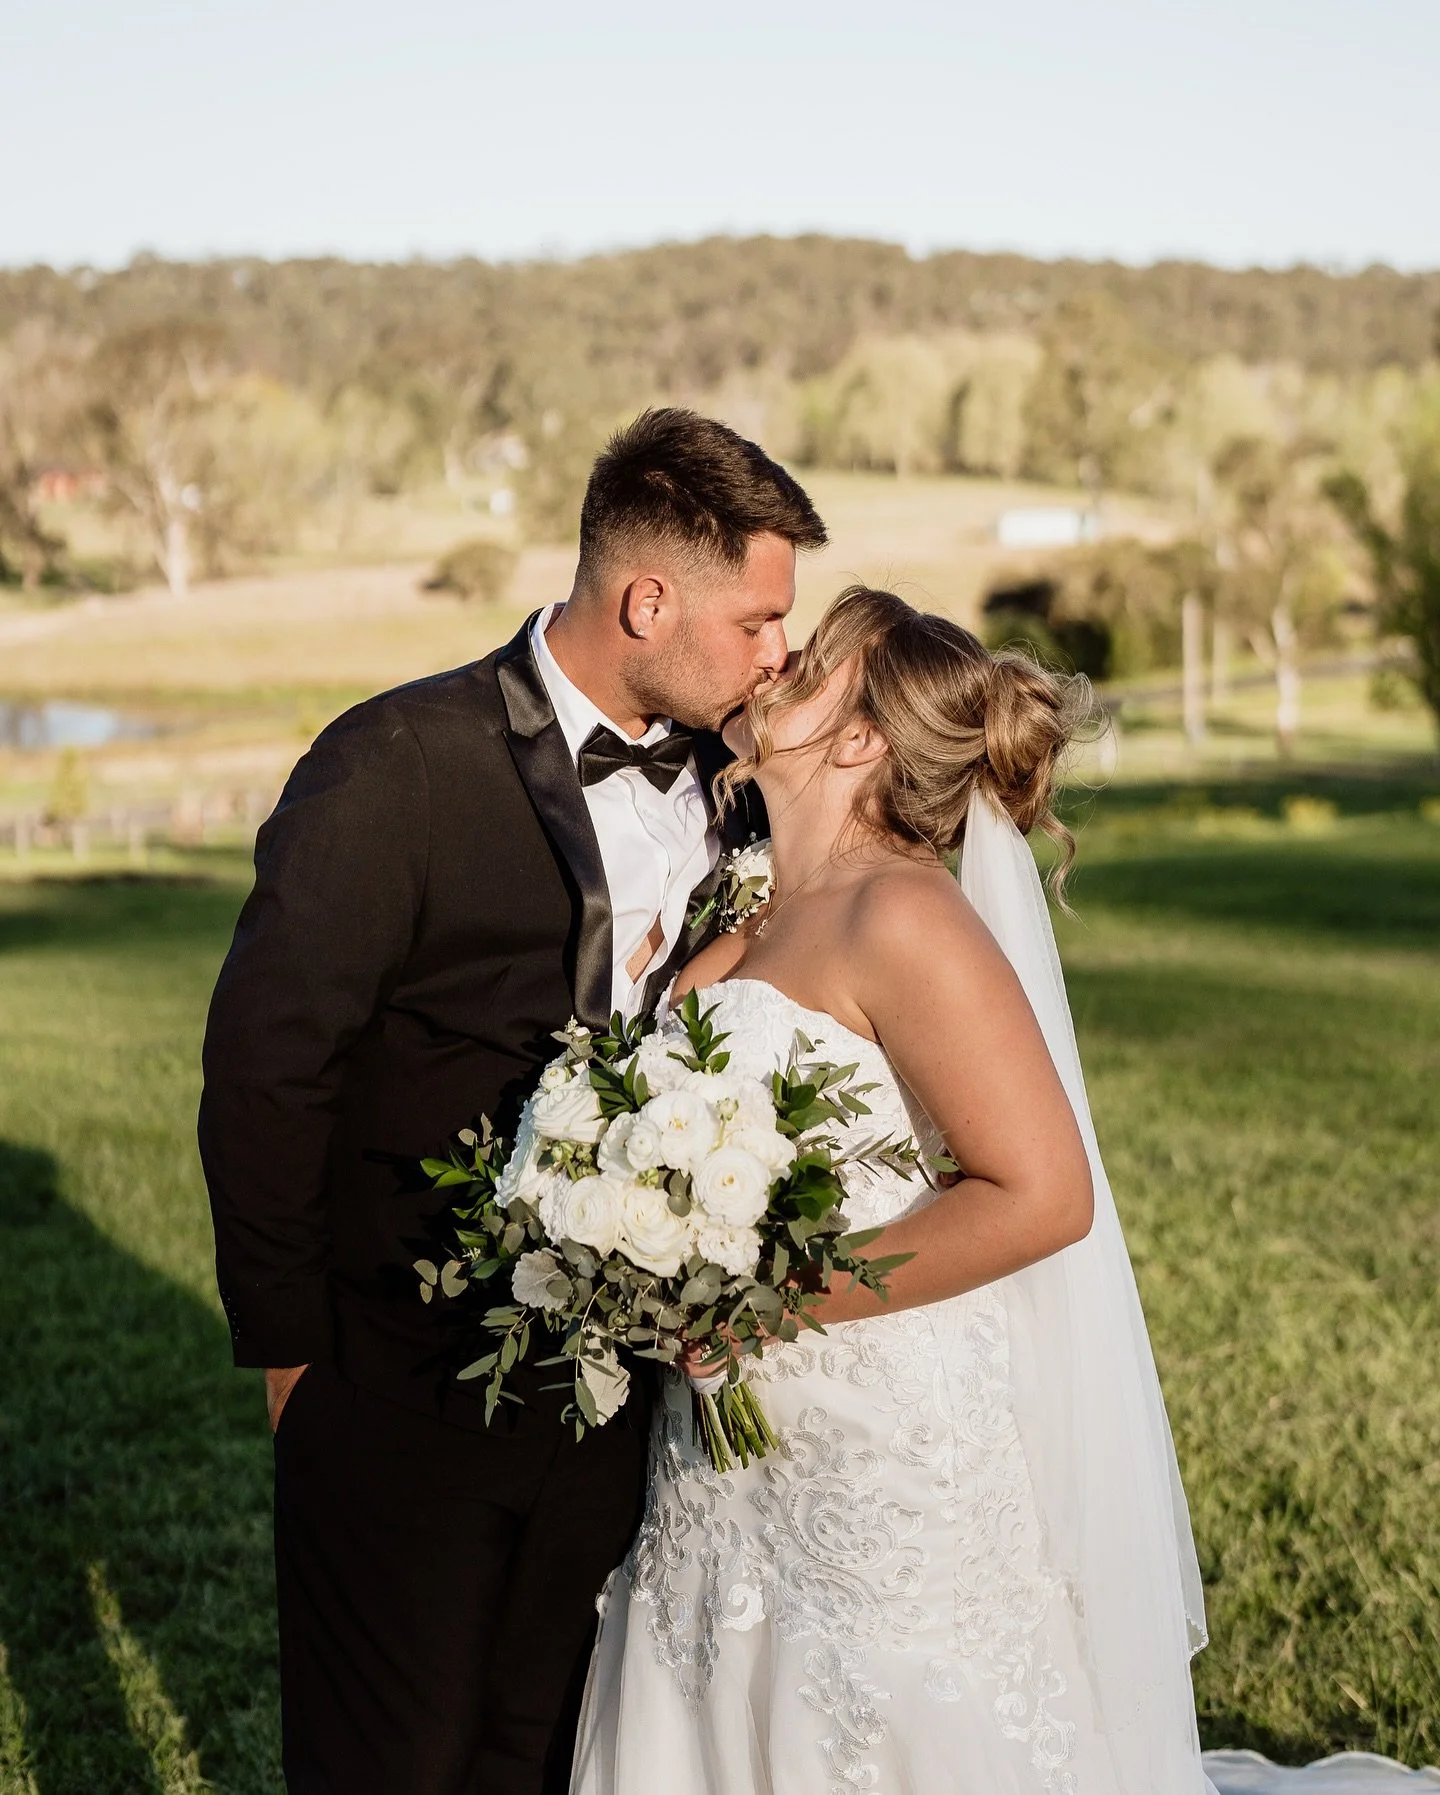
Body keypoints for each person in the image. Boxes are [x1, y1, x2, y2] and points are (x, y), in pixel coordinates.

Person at [197, 408, 828, 1795]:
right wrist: (293, 1356)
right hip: (400, 1385)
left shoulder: (739, 788)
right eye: (760, 618)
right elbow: (265, 1061)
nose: (781, 650)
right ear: (646, 598)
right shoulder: (393, 764)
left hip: (622, 1405)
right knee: (393, 1758)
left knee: (549, 1750)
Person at [571, 586, 1217, 1795]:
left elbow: (1041, 1192)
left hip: (877, 1462)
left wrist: (773, 1302)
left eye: (809, 663)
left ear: (861, 736)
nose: (774, 671)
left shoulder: (906, 914)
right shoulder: (754, 906)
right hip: (719, 1464)